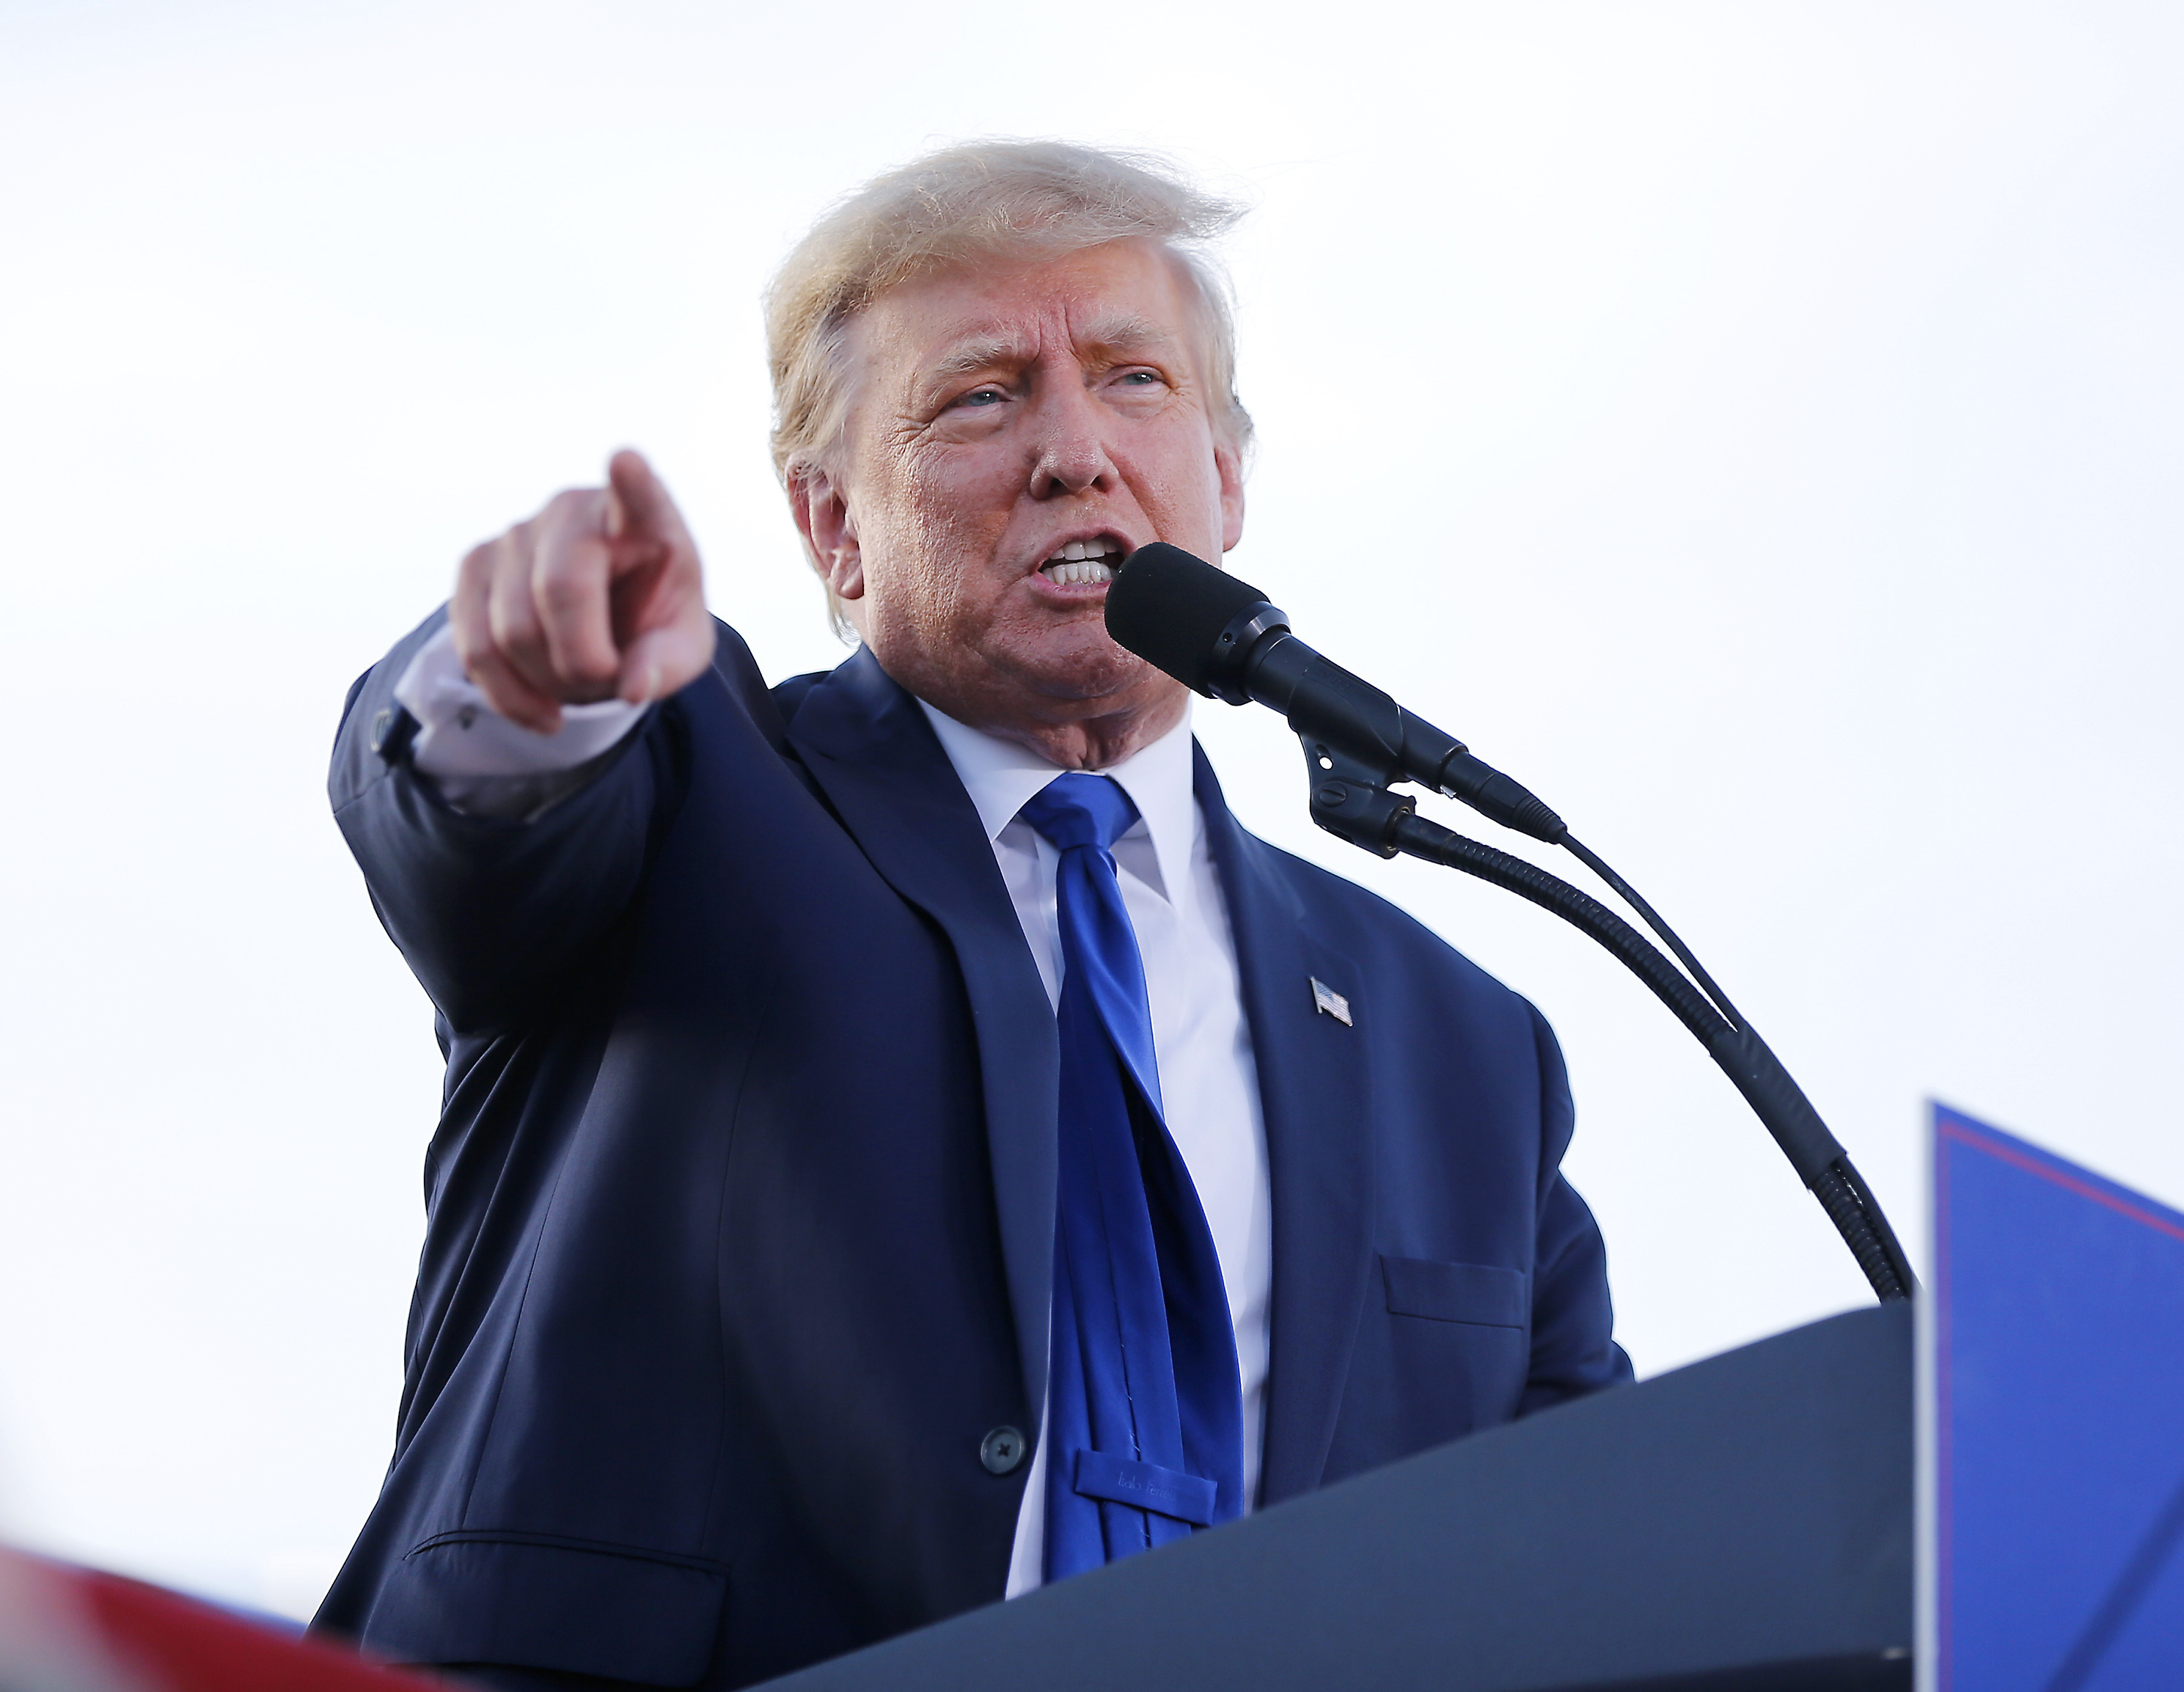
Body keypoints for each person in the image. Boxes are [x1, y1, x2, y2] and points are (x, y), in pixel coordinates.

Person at [315, 141, 1632, 1691]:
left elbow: (1599, 1548)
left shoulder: (1464, 1043)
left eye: (1137, 380)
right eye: (983, 395)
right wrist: (536, 679)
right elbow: (474, 826)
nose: (1075, 451)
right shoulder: (689, 781)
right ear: (832, 531)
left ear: (1227, 479)